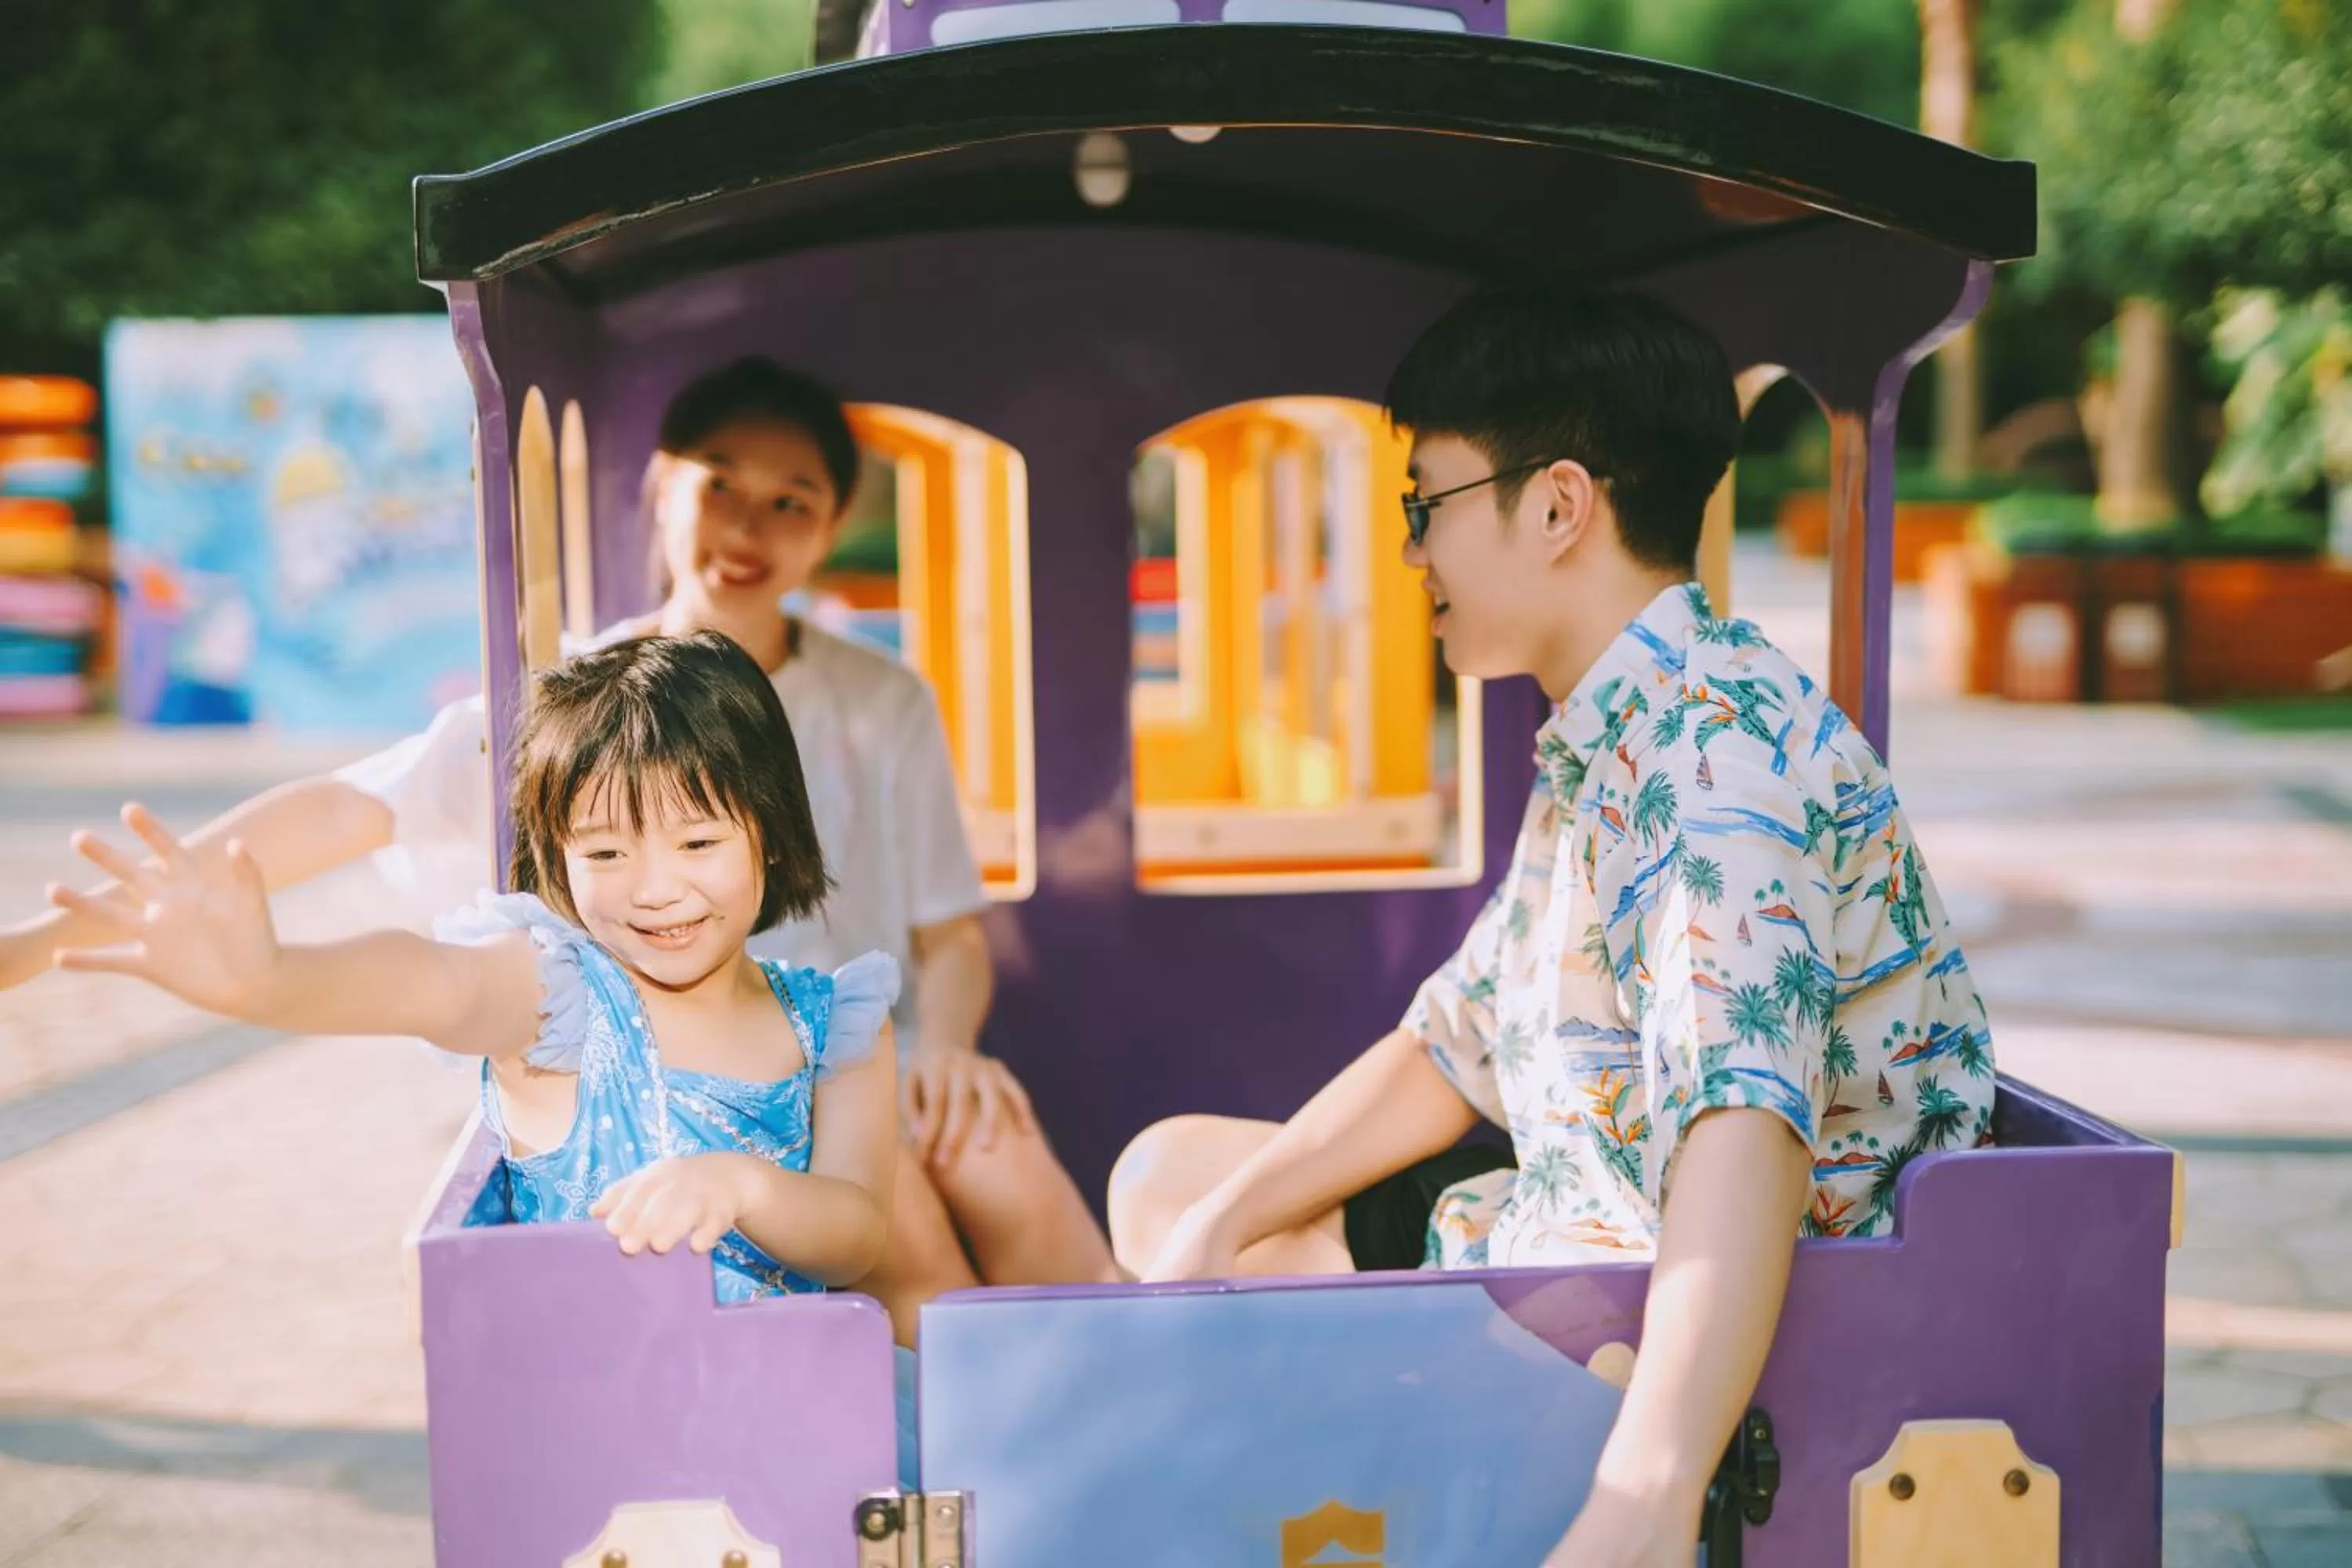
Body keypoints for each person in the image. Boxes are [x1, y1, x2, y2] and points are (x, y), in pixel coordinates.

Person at [1106, 284, 1998, 1566]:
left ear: (1560, 504)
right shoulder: (1612, 727)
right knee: (1176, 1184)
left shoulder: (1713, 764)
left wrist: (1643, 1502)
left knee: (1214, 1333)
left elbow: (1742, 1140)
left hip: (1679, 1320)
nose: (1414, 551)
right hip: (1560, 1229)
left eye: (1429, 506)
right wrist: (1218, 1229)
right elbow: (1455, 1038)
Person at [1, 358, 1117, 1341]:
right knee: (904, 1235)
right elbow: (354, 818)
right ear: (659, 488)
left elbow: (948, 931)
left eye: (791, 502)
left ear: (827, 531)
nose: (747, 525)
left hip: (852, 1051)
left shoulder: (878, 699)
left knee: (1002, 1161)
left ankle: (1140, 1381)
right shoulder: (584, 701)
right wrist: (74, 934)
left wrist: (951, 1049)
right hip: (683, 1071)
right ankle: (997, 1451)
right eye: (718, 483)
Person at [47, 633, 920, 1482]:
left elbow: (854, 1236)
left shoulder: (836, 1021)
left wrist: (743, 1183)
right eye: (607, 851)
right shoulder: (558, 999)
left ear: (768, 829)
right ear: (557, 854)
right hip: (604, 1467)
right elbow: (428, 981)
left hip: (805, 1434)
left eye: (697, 843)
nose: (656, 888)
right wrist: (270, 979)